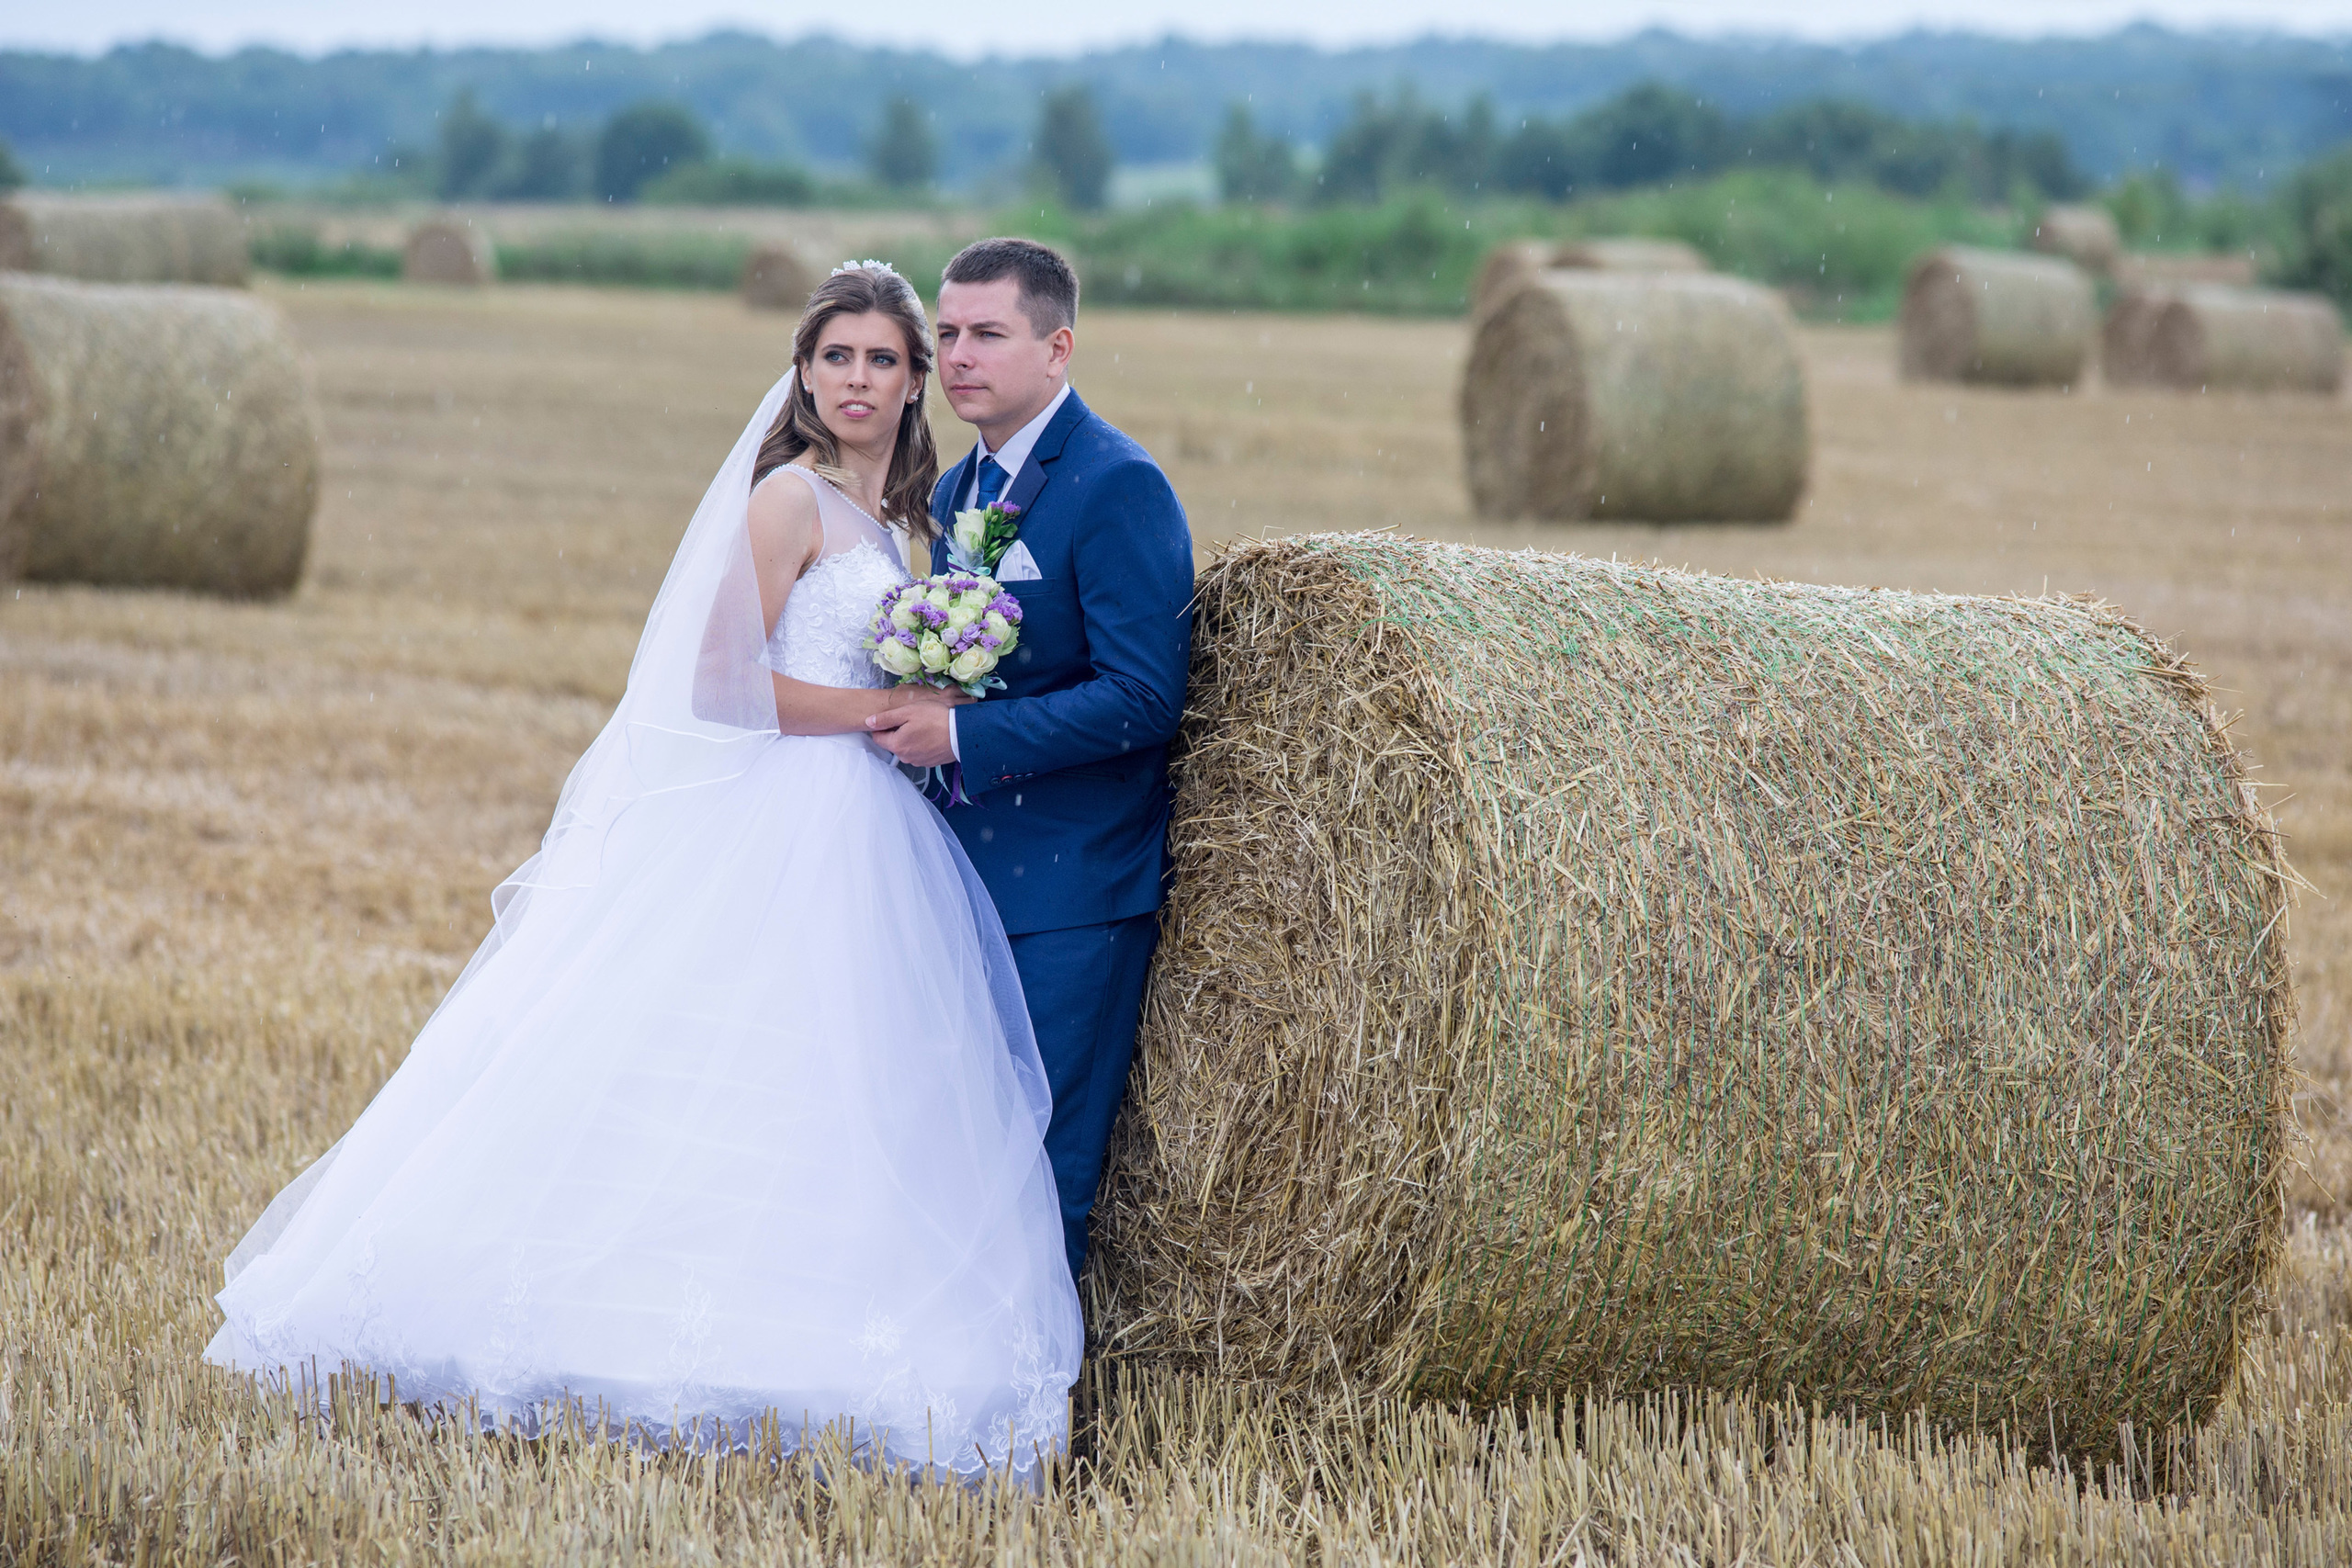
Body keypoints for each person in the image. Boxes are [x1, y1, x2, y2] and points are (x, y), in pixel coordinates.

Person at [204, 263, 1081, 1485]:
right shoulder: (789, 500)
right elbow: (719, 683)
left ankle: (800, 1329)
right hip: (791, 810)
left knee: (839, 1078)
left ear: (915, 379)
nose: (858, 380)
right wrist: (885, 701)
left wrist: (933, 694)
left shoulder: (899, 527)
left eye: (884, 359)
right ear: (803, 372)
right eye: (837, 358)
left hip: (867, 819)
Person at [867, 239, 1193, 1285]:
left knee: (1040, 1172)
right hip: (962, 878)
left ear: (1057, 347)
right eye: (948, 335)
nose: (958, 357)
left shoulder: (1117, 485)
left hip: (1071, 891)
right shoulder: (963, 482)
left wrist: (962, 737)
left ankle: (1034, 1433)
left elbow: (1145, 698)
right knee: (952, 1161)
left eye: (987, 335)